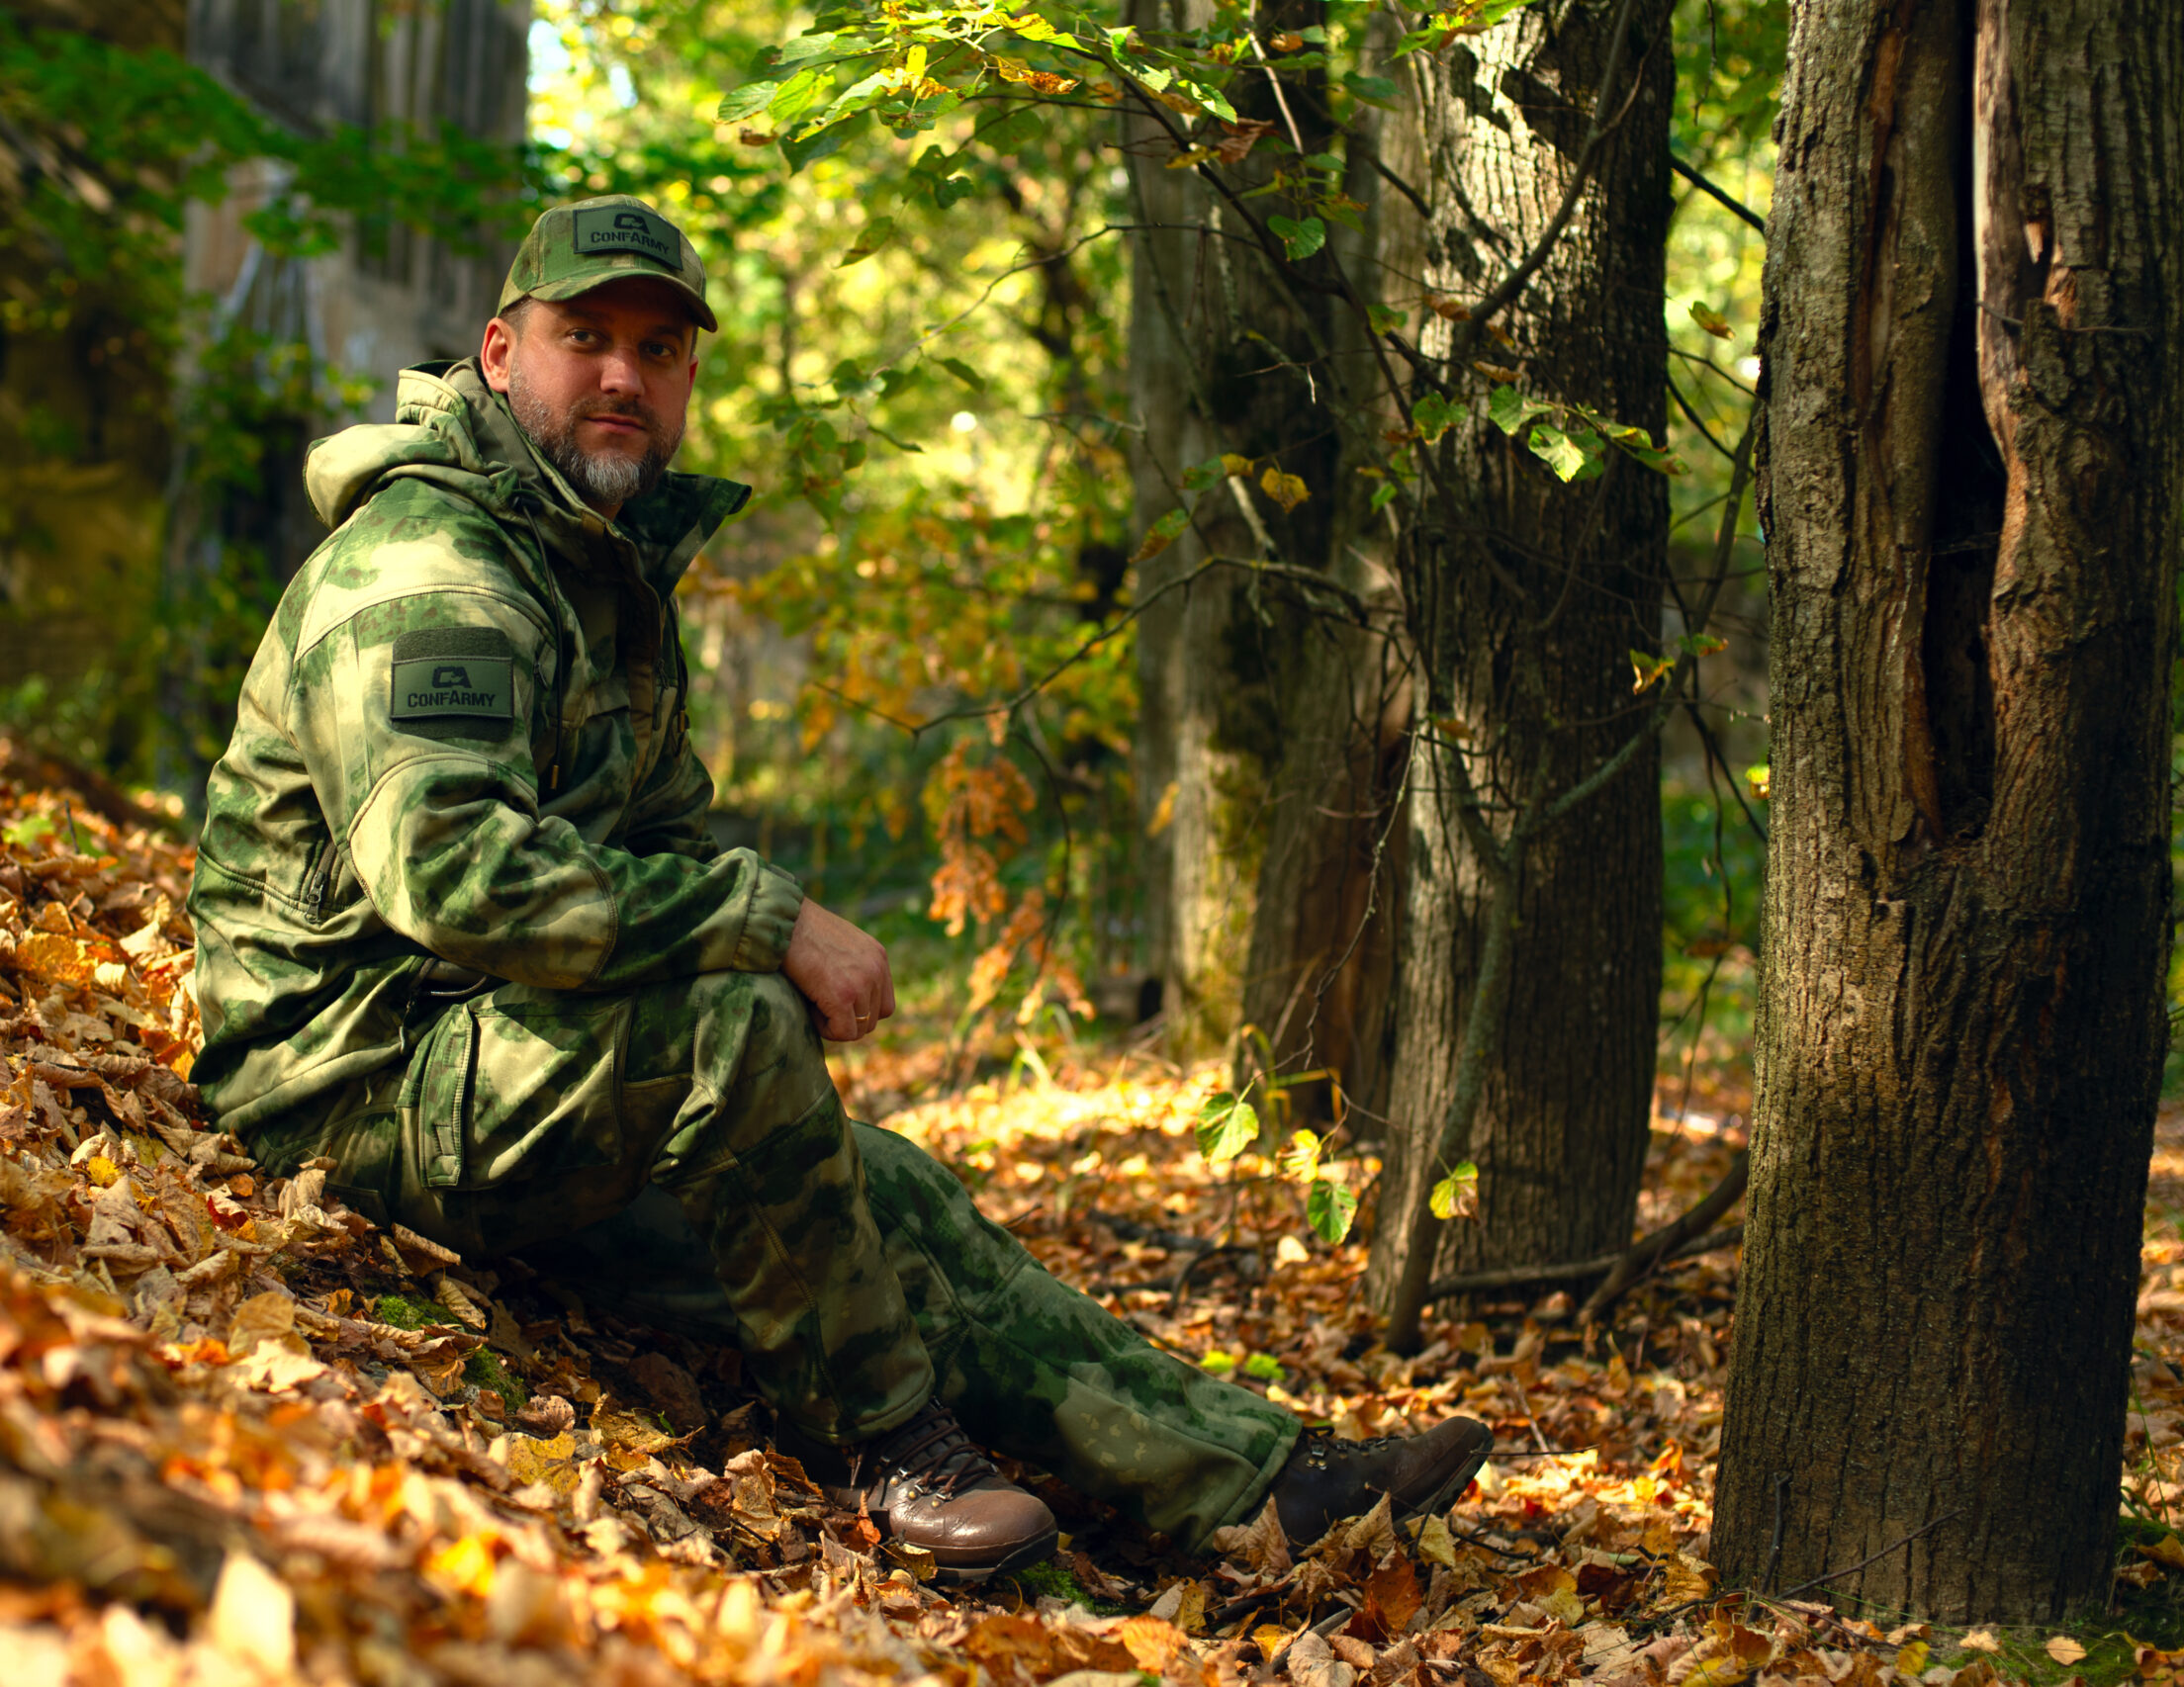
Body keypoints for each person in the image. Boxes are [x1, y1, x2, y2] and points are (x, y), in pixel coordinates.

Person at [187, 194, 1492, 1582]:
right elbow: (453, 872)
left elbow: (662, 837)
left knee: (886, 1191)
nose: (624, 374)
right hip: (348, 1089)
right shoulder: (432, 569)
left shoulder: (597, 576)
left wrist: (747, 928)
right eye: (587, 337)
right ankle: (891, 1452)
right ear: (501, 354)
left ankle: (1263, 1485)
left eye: (659, 349)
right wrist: (771, 923)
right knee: (734, 1023)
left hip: (500, 1065)